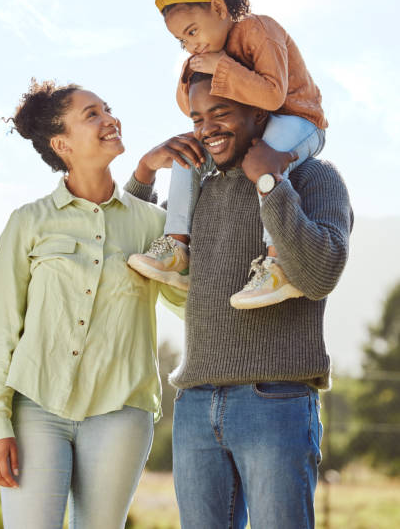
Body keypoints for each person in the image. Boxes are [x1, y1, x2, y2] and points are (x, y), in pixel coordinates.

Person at [125, 71, 353, 528]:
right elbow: (126, 237)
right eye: (197, 118)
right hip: (194, 402)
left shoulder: (315, 177)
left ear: (259, 111)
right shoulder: (197, 190)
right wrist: (144, 172)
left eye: (221, 113)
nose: (208, 127)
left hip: (275, 400)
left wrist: (269, 182)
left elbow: (321, 273)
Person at [0, 79, 189, 529]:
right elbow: (2, 331)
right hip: (36, 407)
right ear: (62, 144)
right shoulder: (28, 222)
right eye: (91, 114)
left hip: (121, 411)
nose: (109, 118)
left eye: (107, 108)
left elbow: (189, 304)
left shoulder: (153, 224)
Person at [128, 0, 327, 309]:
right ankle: (177, 247)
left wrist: (222, 66)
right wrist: (192, 68)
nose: (191, 44)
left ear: (219, 10)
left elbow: (273, 96)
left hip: (298, 120)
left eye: (192, 32)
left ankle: (278, 265)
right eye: (182, 41)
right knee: (188, 150)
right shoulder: (210, 51)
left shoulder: (258, 29)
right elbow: (189, 106)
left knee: (267, 156)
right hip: (254, 127)